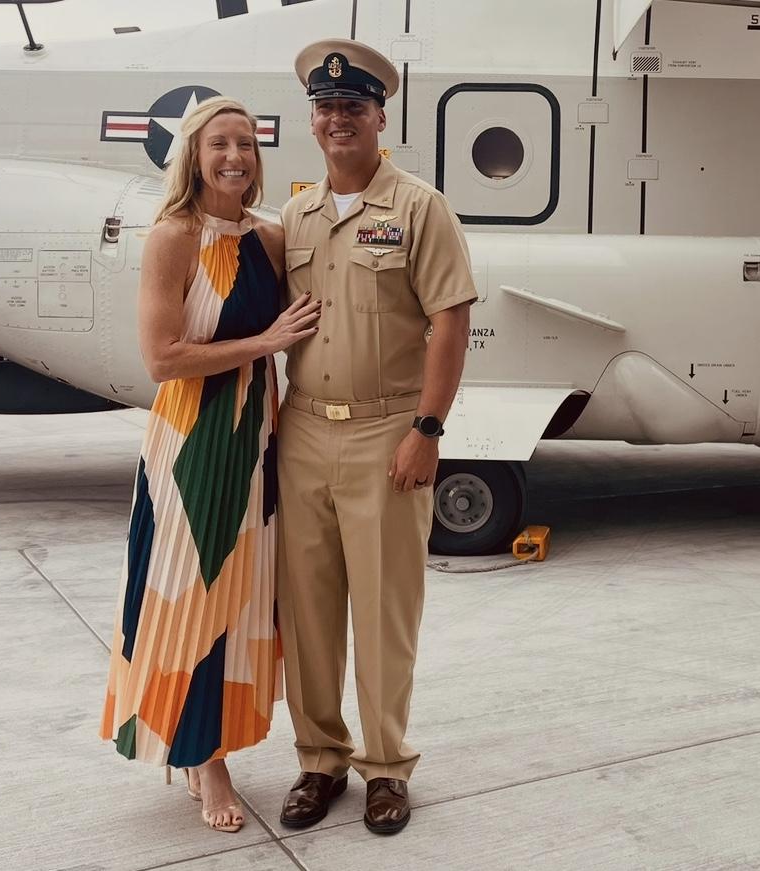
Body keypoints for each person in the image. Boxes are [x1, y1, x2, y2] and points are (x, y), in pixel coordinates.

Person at [99, 96, 320, 834]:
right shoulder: (173, 235)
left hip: (256, 437)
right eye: (219, 143)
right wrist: (266, 343)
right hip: (192, 441)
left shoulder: (268, 236)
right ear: (193, 155)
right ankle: (204, 759)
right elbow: (162, 358)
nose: (235, 156)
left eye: (246, 144)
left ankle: (206, 745)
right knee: (191, 595)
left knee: (240, 598)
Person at [277, 39, 477, 835]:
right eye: (325, 107)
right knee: (308, 612)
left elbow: (450, 321)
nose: (337, 119)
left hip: (387, 432)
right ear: (312, 120)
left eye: (352, 107)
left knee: (385, 610)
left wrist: (427, 428)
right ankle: (319, 759)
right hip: (301, 432)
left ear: (379, 117)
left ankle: (386, 765)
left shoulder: (419, 208)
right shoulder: (295, 216)